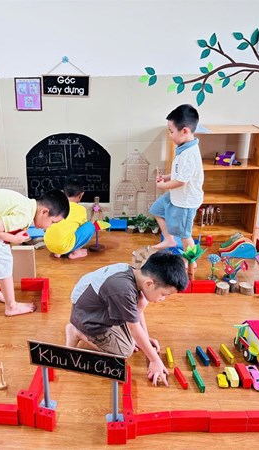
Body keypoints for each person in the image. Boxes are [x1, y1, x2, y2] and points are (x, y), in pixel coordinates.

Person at [64, 252, 189, 386]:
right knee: (124, 351)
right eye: (164, 294)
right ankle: (76, 332)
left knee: (142, 302)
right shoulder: (123, 289)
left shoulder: (136, 274)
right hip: (87, 318)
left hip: (98, 306)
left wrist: (145, 338)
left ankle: (82, 330)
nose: (163, 298)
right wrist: (155, 360)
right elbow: (134, 328)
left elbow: (136, 314)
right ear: (149, 283)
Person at [0, 188, 69, 316]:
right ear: (44, 212)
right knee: (4, 260)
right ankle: (11, 307)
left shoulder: (27, 205)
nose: (49, 226)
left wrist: (11, 237)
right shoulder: (24, 216)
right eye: (52, 222)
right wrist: (15, 239)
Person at [149, 104, 204, 271]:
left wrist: (163, 185)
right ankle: (169, 240)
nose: (170, 135)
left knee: (185, 235)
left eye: (171, 131)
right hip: (176, 194)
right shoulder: (183, 148)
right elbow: (180, 174)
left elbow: (181, 181)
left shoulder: (189, 154)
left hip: (185, 201)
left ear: (185, 131)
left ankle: (191, 262)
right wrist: (167, 177)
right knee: (156, 210)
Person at [44, 176, 95, 259]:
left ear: (63, 193)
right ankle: (74, 252)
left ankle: (59, 252)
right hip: (63, 246)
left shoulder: (55, 205)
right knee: (90, 226)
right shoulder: (81, 209)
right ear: (81, 194)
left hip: (49, 245)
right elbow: (82, 228)